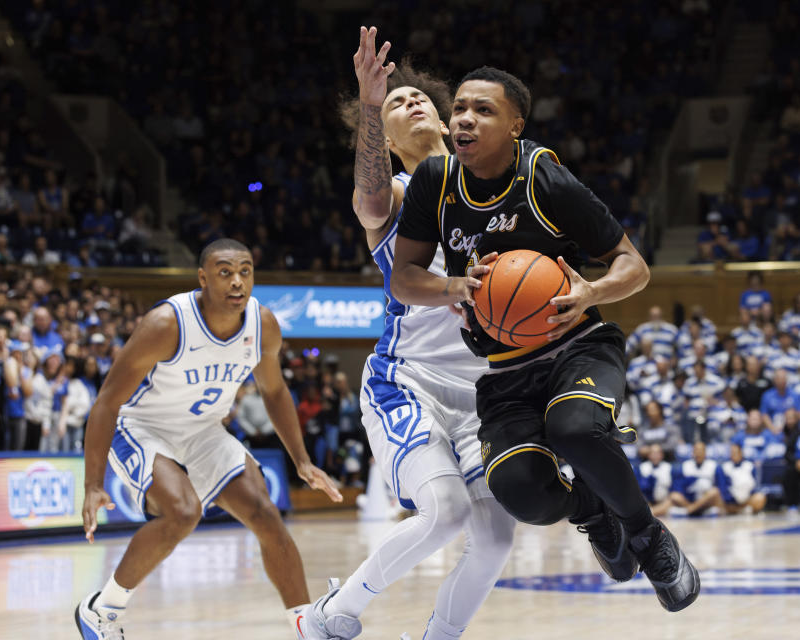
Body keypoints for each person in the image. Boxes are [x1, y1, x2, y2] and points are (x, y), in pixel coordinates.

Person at [392, 63, 699, 611]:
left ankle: (649, 539)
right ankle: (592, 509)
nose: (464, 119)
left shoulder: (543, 177)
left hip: (576, 344)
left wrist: (591, 292)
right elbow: (404, 277)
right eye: (459, 107)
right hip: (505, 368)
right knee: (523, 495)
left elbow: (634, 265)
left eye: (483, 110)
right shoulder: (432, 182)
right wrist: (457, 287)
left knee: (576, 429)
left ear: (515, 126)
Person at [300, 29, 518, 640]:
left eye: (420, 98)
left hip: (486, 394)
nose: (411, 101)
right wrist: (371, 104)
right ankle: (332, 613)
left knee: (498, 537)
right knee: (445, 513)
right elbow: (368, 199)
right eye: (397, 105)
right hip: (409, 383)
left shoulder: (502, 197)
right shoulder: (395, 193)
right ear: (387, 143)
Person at [76, 239, 341, 640]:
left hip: (203, 430)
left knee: (266, 514)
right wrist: (93, 484)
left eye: (245, 271)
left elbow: (273, 391)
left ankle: (306, 624)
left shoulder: (262, 324)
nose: (237, 282)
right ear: (203, 278)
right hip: (144, 427)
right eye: (225, 272)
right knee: (183, 512)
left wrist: (302, 460)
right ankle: (102, 608)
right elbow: (107, 401)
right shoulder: (166, 324)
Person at [669, 442, 724, 516]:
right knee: (674, 495)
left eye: (701, 451)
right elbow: (678, 487)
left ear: (705, 453)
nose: (698, 453)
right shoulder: (685, 466)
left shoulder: (714, 466)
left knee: (715, 492)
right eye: (696, 450)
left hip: (706, 502)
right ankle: (693, 509)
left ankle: (689, 511)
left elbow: (721, 487)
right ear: (692, 452)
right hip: (688, 501)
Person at [719, 443, 768, 514]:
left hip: (747, 499)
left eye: (736, 453)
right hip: (731, 501)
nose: (734, 455)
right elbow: (722, 486)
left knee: (760, 497)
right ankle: (741, 510)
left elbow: (755, 485)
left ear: (741, 453)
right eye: (732, 453)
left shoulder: (750, 466)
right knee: (718, 499)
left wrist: (749, 494)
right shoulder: (724, 467)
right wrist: (731, 498)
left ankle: (740, 510)